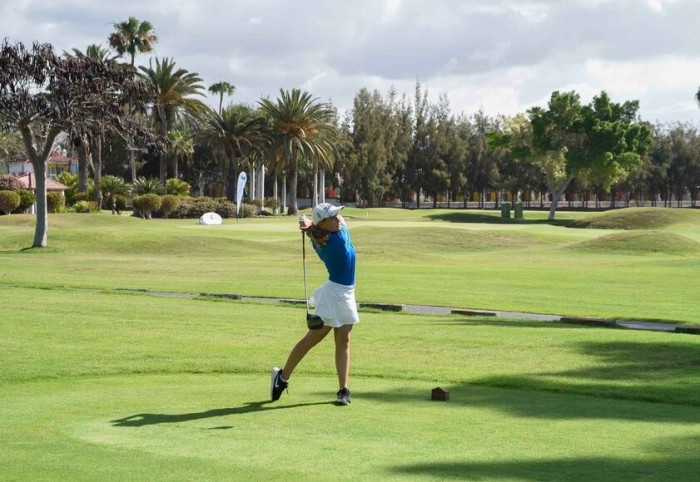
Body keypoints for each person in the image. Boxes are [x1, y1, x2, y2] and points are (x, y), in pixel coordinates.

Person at [270, 203, 359, 406]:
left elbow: (336, 222)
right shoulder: (336, 242)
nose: (338, 219)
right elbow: (342, 224)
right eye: (332, 217)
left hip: (346, 292)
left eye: (337, 215)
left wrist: (310, 224)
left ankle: (343, 390)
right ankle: (282, 379)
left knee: (344, 341)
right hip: (334, 294)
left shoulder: (324, 234)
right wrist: (310, 224)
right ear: (323, 224)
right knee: (313, 339)